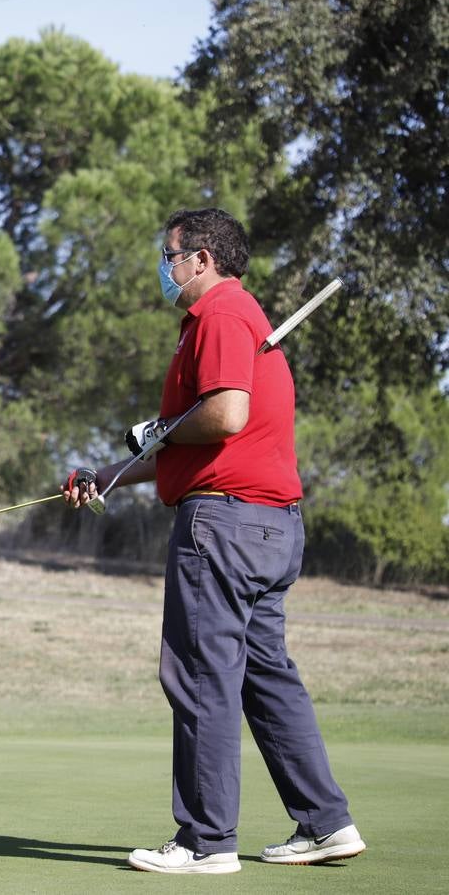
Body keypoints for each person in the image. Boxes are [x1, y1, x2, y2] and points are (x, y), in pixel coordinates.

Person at [62, 208, 364, 875]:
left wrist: (162, 426)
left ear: (203, 258)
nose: (163, 269)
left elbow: (225, 415)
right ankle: (325, 823)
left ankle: (205, 842)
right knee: (264, 676)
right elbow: (195, 439)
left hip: (224, 526)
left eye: (169, 256)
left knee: (201, 676)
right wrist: (116, 472)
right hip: (267, 525)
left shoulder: (222, 314)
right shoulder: (234, 319)